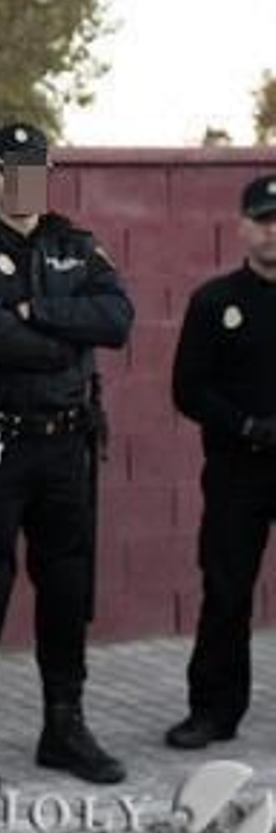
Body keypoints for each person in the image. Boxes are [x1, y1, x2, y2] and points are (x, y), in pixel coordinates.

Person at [0, 122, 134, 795]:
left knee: (68, 585)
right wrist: (63, 334)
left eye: (38, 168)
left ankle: (63, 725)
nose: (27, 182)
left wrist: (34, 309)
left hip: (66, 442)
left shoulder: (75, 244)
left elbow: (118, 318)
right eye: (13, 169)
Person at [165, 174, 276, 750]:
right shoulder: (215, 301)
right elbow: (187, 389)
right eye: (263, 221)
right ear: (242, 227)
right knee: (227, 590)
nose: (272, 233)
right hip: (239, 469)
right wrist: (245, 424)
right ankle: (212, 710)